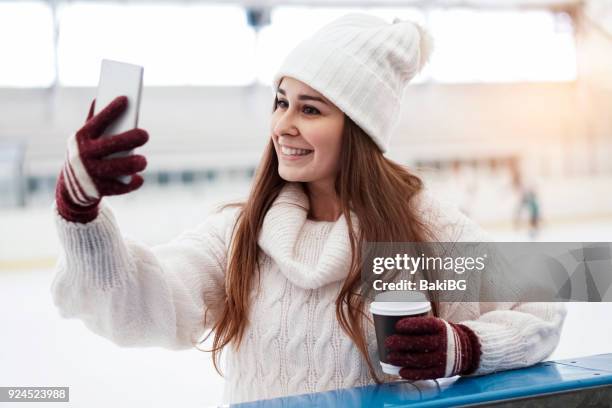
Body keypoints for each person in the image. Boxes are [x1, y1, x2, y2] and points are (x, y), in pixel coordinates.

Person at [51, 13, 566, 404]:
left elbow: (543, 305)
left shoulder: (421, 229)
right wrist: (81, 214)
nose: (283, 125)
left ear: (359, 129)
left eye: (310, 109)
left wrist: (464, 347)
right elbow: (144, 309)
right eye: (281, 101)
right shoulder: (242, 233)